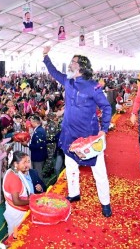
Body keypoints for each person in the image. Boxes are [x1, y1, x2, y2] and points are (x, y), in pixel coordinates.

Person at [42, 46, 113, 217]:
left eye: (73, 62)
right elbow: (53, 72)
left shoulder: (93, 86)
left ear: (81, 66)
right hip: (68, 133)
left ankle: (105, 203)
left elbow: (106, 107)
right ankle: (74, 193)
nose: (70, 64)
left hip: (89, 136)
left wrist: (103, 129)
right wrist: (46, 56)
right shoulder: (68, 81)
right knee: (71, 167)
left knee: (99, 172)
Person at [2, 151, 31, 237]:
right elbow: (16, 201)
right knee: (17, 238)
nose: (26, 165)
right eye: (24, 162)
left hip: (16, 212)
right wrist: (31, 201)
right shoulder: (14, 178)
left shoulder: (13, 171)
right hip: (17, 213)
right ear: (15, 164)